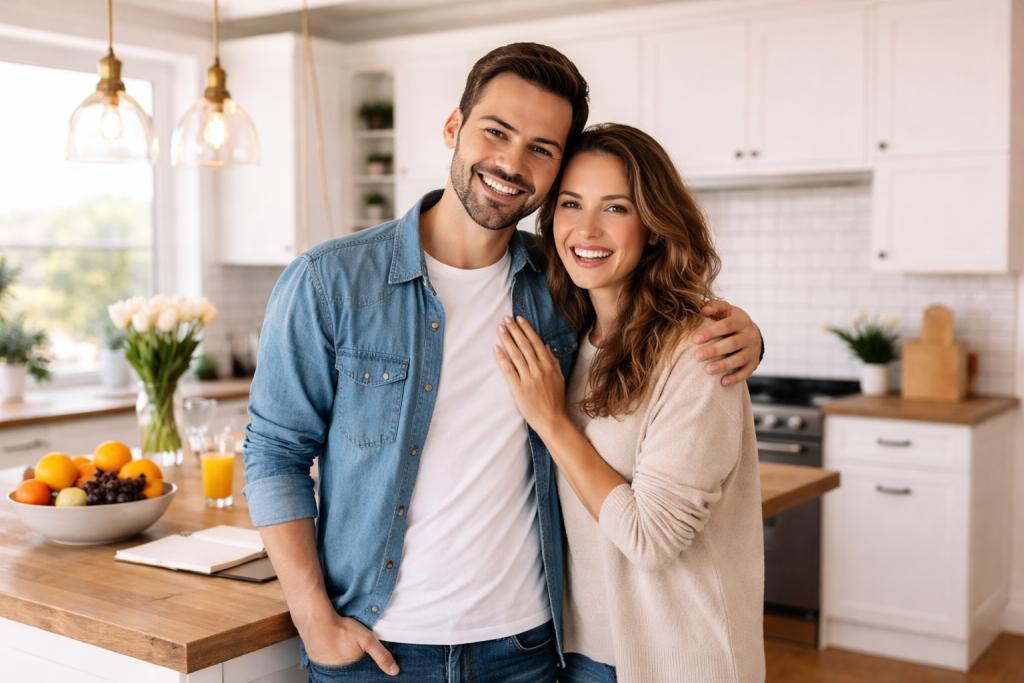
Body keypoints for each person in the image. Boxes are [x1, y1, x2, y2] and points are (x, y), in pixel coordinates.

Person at [243, 44, 764, 683]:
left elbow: (654, 320)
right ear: (453, 127)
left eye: (541, 149)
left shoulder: (560, 284)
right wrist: (311, 616)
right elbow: (274, 453)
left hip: (526, 650)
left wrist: (741, 332)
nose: (513, 164)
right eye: (496, 131)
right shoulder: (331, 283)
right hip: (378, 649)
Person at [493, 124, 765, 683]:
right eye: (571, 203)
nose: (586, 229)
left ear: (655, 228)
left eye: (615, 207)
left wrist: (551, 422)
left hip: (678, 662)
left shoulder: (697, 352)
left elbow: (651, 539)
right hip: (582, 652)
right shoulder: (570, 336)